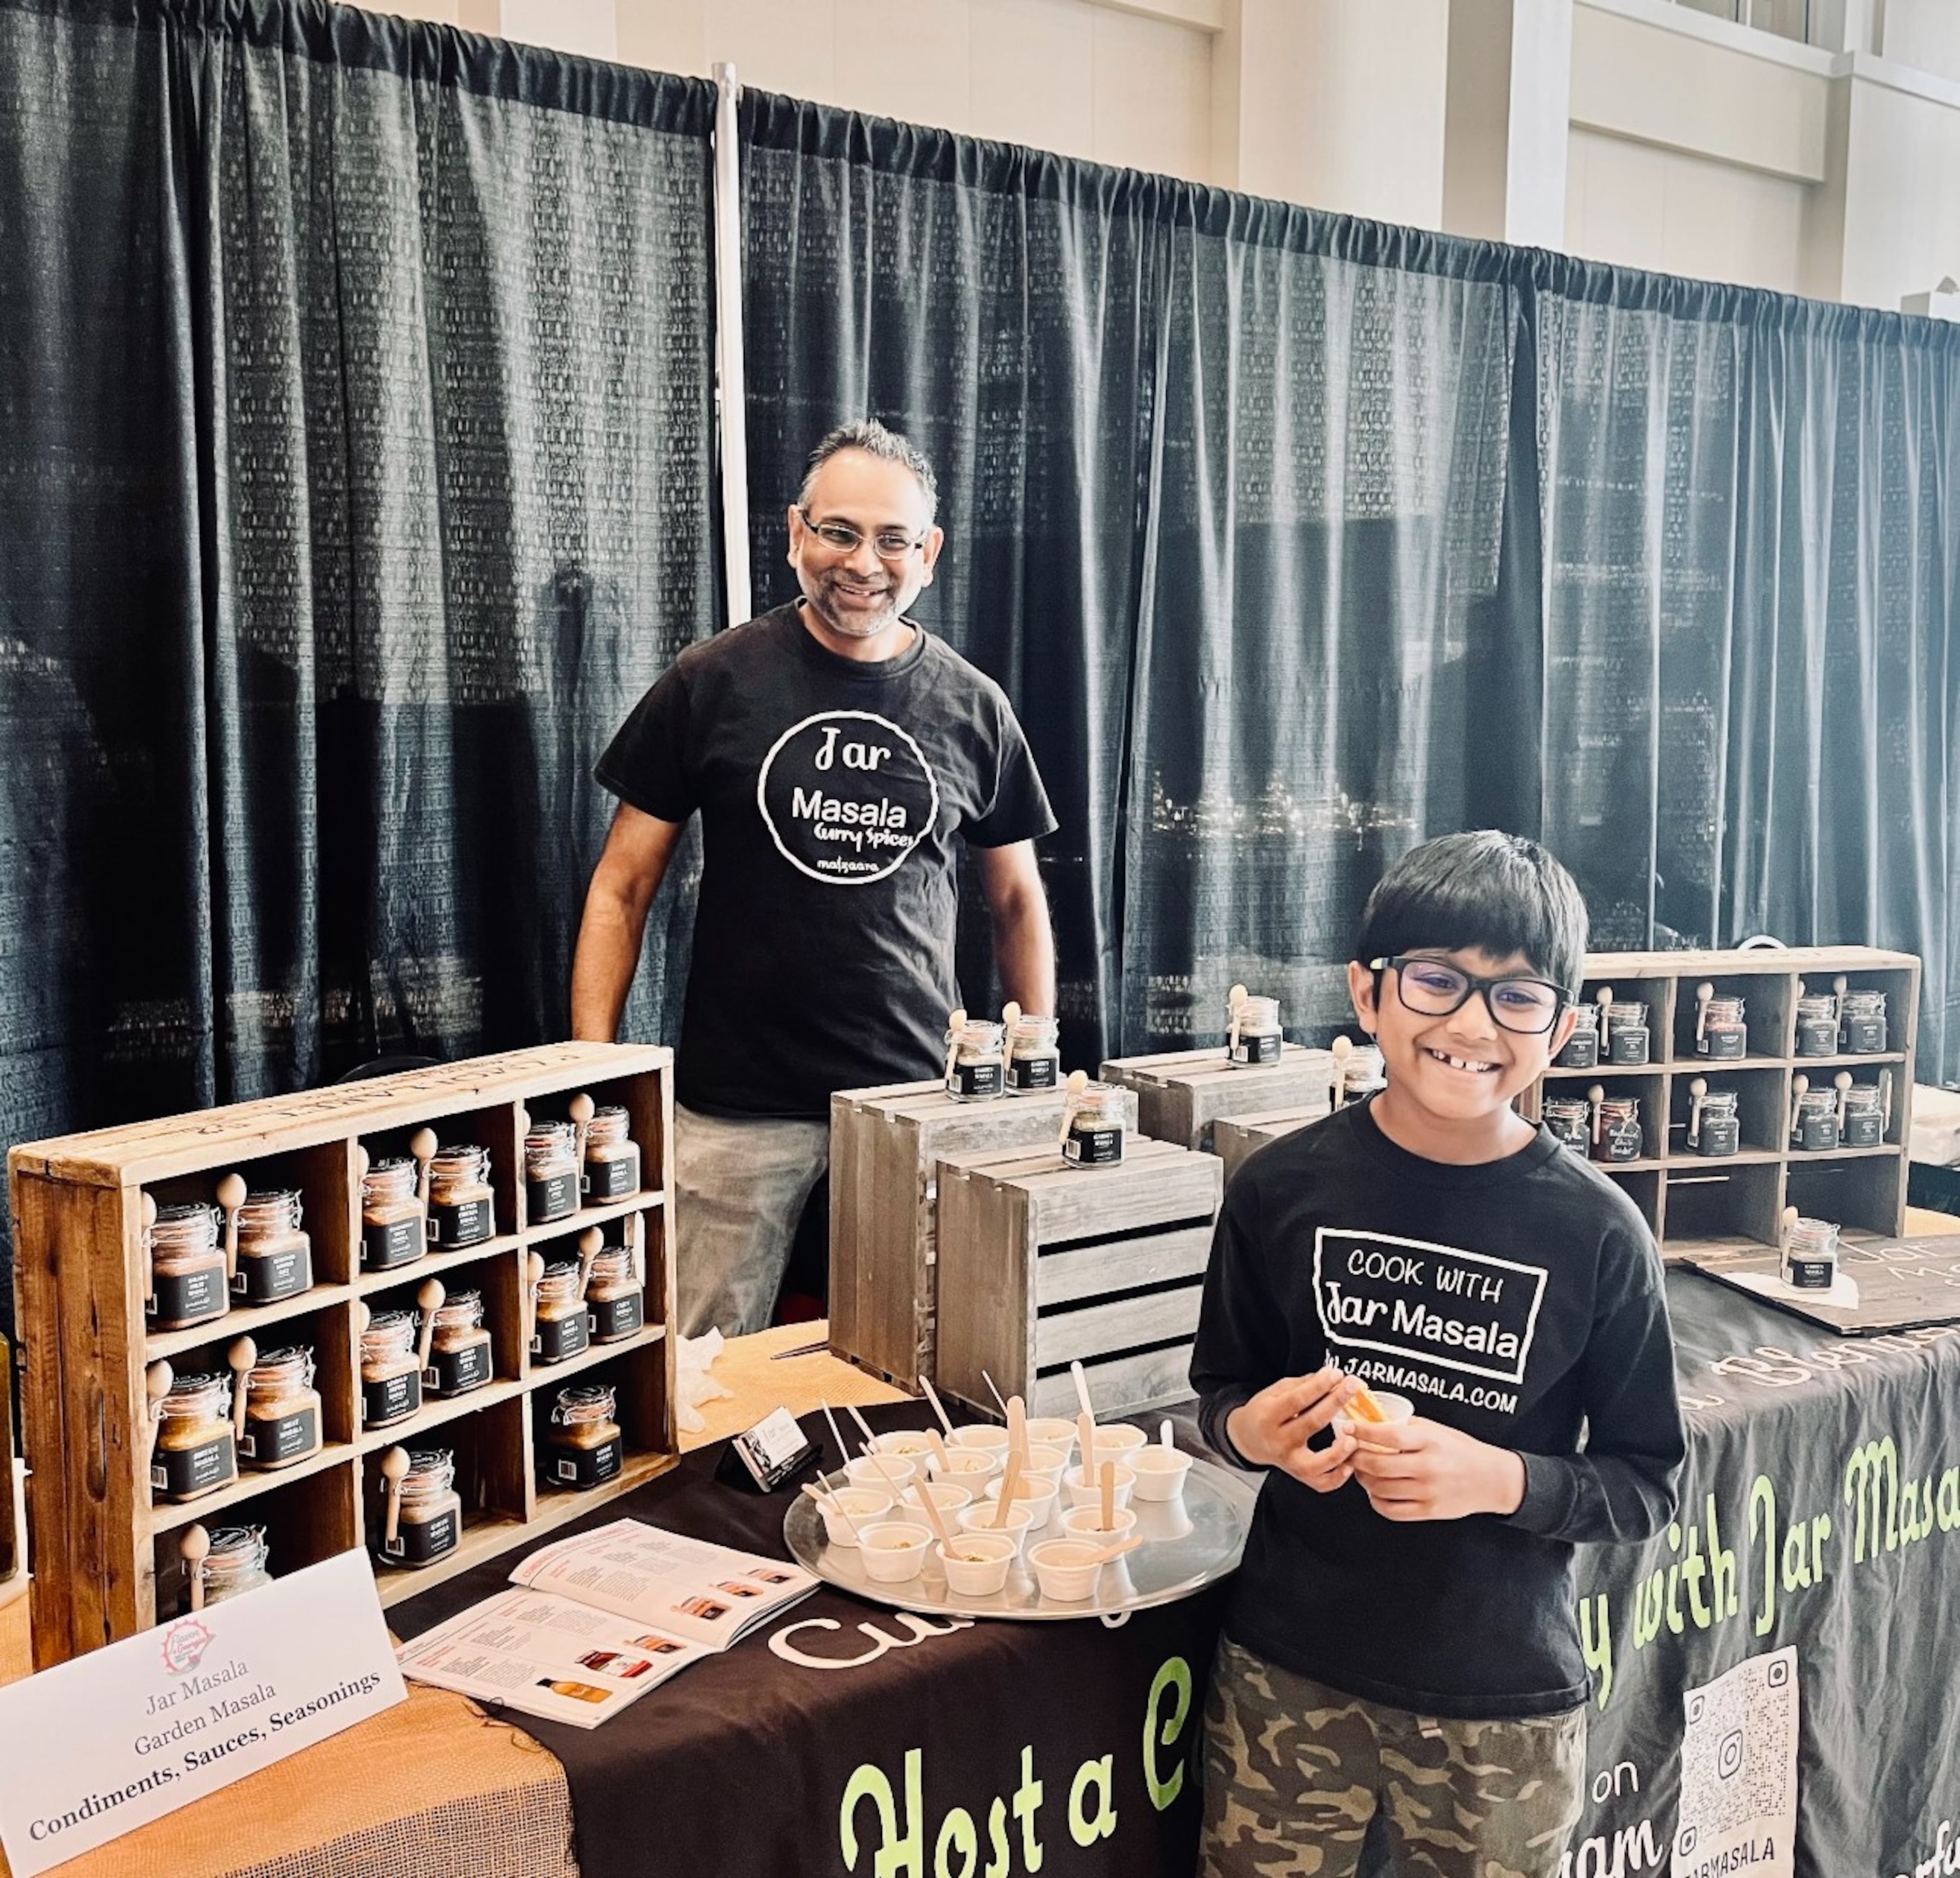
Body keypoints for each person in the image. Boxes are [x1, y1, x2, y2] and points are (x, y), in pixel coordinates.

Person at [1190, 831, 1684, 1878]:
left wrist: (1499, 1478)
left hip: (1500, 1698)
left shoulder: (1597, 1231)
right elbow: (1220, 1393)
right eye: (1437, 980)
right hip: (1288, 1670)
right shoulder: (1279, 1189)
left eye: (1517, 996)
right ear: (1366, 994)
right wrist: (1251, 1431)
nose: (1471, 1023)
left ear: (1564, 1026)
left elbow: (1650, 1484)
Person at [572, 420, 1057, 1337]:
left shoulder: (973, 705)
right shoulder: (712, 681)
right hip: (737, 1105)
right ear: (796, 532)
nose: (862, 562)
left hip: (919, 1096)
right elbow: (621, 889)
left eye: (892, 539)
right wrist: (597, 1073)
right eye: (838, 531)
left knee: (928, 1354)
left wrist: (1034, 1061)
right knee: (702, 1369)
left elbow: (1018, 901)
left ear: (930, 553)